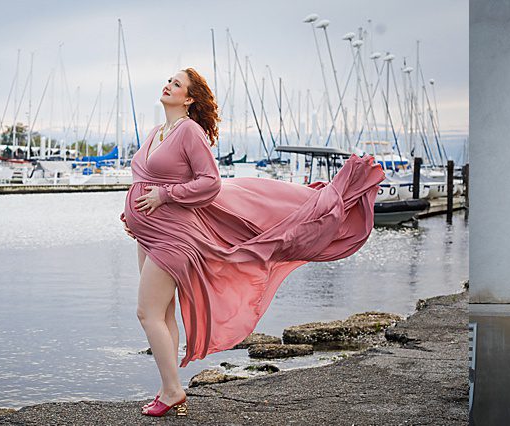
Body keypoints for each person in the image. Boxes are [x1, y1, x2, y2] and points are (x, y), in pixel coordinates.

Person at [119, 68, 385, 417]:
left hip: (175, 236)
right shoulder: (157, 131)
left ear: (190, 99)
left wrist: (165, 195)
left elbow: (209, 183)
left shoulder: (189, 131)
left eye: (177, 84)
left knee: (147, 312)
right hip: (150, 232)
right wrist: (132, 217)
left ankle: (172, 391)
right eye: (169, 80)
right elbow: (145, 180)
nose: (168, 84)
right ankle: (169, 386)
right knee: (164, 311)